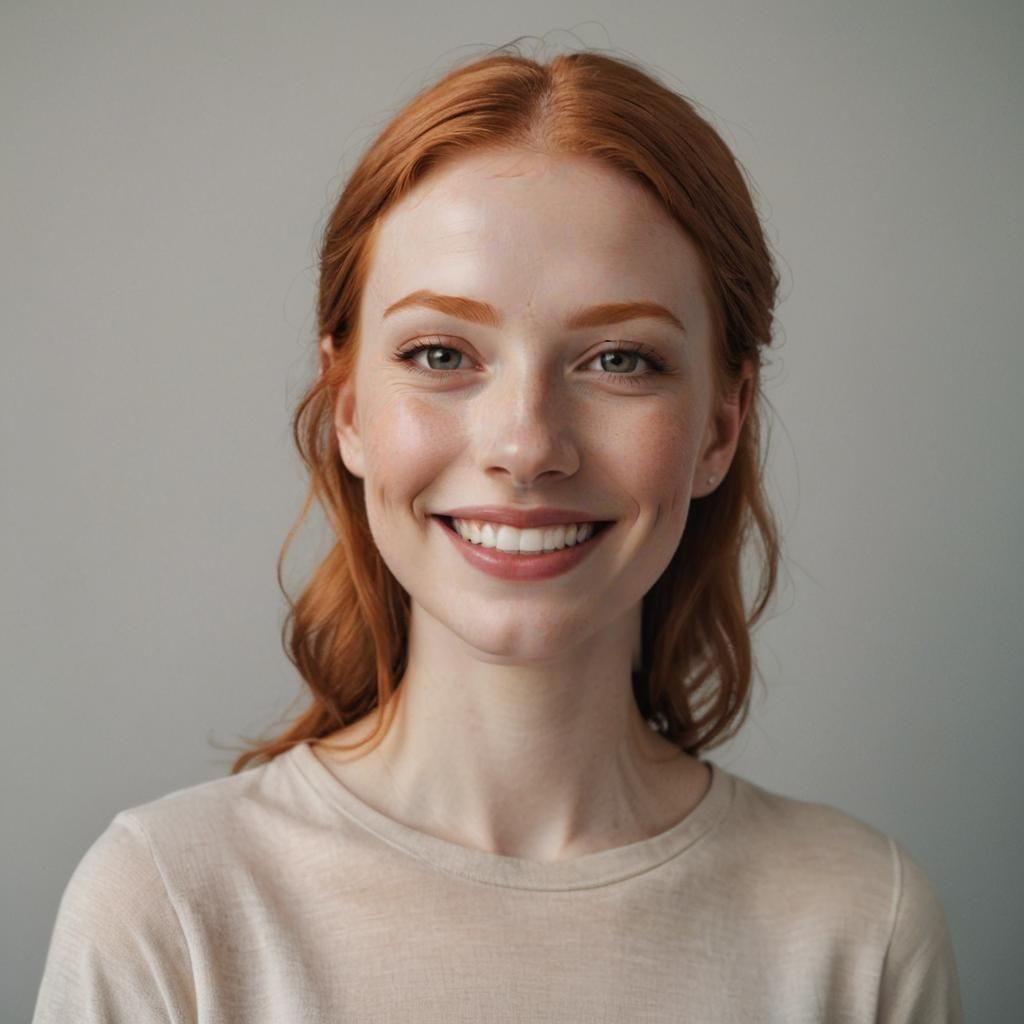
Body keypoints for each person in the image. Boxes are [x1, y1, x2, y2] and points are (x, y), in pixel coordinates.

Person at [32, 44, 962, 1022]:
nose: (525, 445)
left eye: (618, 359)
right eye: (440, 352)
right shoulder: (169, 909)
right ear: (346, 407)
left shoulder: (862, 926)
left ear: (720, 427)